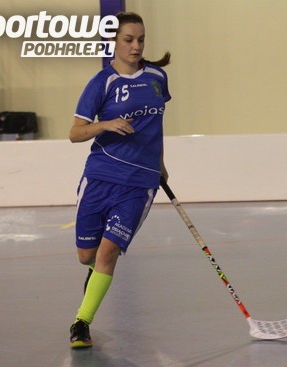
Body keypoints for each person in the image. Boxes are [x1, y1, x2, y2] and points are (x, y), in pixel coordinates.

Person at [68, 12, 172, 348]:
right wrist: (104, 124)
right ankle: (94, 271)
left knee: (109, 251)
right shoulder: (102, 82)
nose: (136, 46)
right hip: (100, 176)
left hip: (140, 182)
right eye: (128, 40)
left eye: (140, 39)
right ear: (114, 41)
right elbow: (75, 133)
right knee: (87, 255)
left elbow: (156, 126)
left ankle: (81, 322)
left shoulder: (157, 77)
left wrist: (160, 164)